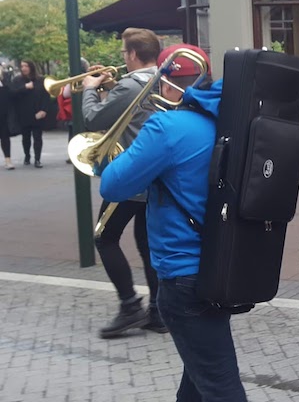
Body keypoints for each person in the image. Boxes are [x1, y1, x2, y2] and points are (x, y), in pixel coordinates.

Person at [99, 43, 248, 402]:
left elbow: (113, 184)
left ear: (166, 83)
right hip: (221, 264)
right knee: (198, 378)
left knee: (219, 384)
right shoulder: (230, 121)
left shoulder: (166, 126)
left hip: (184, 276)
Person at [81, 28, 165, 338]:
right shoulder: (162, 80)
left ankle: (130, 305)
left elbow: (94, 119)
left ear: (131, 55)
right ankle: (158, 312)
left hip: (130, 177)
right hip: (156, 178)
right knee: (147, 245)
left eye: (123, 54)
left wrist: (91, 88)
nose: (122, 58)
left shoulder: (130, 85)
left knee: (104, 237)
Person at [10, 60, 49, 167]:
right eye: (22, 66)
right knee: (26, 137)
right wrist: (25, 88)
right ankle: (27, 156)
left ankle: (37, 159)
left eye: (26, 66)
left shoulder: (40, 80)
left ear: (31, 67)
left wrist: (44, 110)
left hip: (37, 112)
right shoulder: (17, 80)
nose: (24, 68)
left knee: (37, 137)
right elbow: (13, 94)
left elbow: (46, 96)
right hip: (24, 113)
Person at [0, 63, 14, 170]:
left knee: (5, 137)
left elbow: (11, 94)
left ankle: (8, 160)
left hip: (3, 115)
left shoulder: (4, 82)